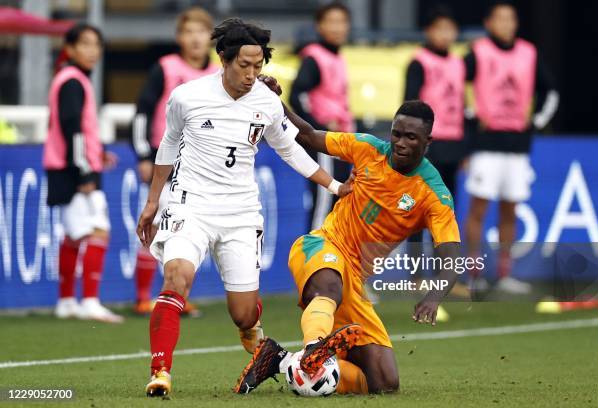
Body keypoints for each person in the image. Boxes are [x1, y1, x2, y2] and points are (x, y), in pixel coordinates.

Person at [137, 18, 353, 398]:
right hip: (190, 204)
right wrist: (154, 201)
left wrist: (334, 185)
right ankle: (160, 372)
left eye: (258, 66)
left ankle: (258, 338)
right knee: (176, 278)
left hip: (240, 215)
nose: (252, 74)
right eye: (244, 66)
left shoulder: (267, 102)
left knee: (243, 312)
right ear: (224, 58)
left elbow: (290, 150)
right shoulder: (187, 96)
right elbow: (168, 145)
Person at [235, 93, 462, 395]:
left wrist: (434, 295)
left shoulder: (432, 193)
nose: (401, 143)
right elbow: (309, 136)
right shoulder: (367, 148)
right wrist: (276, 101)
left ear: (427, 141)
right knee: (330, 287)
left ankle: (280, 361)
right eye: (396, 134)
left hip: (354, 281)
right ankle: (315, 347)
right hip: (322, 246)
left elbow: (453, 257)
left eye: (411, 137)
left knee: (383, 382)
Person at [464, 1, 559, 294]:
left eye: (511, 19)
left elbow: (550, 91)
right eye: (500, 19)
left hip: (518, 145)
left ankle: (505, 273)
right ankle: (473, 274)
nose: (506, 24)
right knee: (478, 210)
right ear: (489, 23)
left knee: (510, 210)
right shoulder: (478, 52)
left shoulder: (528, 53)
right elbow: (456, 86)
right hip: (486, 144)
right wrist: (471, 115)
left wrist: (536, 120)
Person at [130, 7, 218, 315]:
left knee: (187, 230)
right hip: (165, 162)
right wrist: (143, 155)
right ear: (179, 37)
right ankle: (143, 296)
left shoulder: (219, 74)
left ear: (211, 37)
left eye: (201, 31)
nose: (195, 39)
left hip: (201, 165)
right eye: (189, 32)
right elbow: (142, 112)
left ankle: (175, 292)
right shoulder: (165, 68)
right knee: (155, 223)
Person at [43, 23, 123, 323]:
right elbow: (71, 128)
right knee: (97, 230)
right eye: (86, 44)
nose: (93, 51)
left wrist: (96, 154)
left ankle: (66, 301)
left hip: (68, 167)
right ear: (70, 48)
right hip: (75, 171)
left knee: (74, 235)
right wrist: (86, 171)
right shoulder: (73, 80)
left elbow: (73, 130)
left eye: (97, 44)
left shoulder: (70, 79)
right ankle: (89, 300)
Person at [403, 6, 468, 307]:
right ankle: (416, 276)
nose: (445, 34)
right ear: (429, 31)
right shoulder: (419, 62)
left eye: (450, 29)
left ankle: (443, 278)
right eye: (439, 28)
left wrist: (466, 146)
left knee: (445, 214)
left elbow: (462, 104)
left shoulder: (458, 63)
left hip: (452, 144)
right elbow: (411, 106)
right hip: (428, 146)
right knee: (418, 214)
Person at [289, 1, 354, 231]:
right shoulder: (314, 58)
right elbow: (298, 95)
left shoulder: (338, 57)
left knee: (341, 200)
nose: (337, 28)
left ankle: (332, 258)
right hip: (324, 143)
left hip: (341, 142)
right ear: (320, 26)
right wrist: (316, 129)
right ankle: (312, 258)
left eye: (342, 22)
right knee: (324, 199)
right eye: (331, 22)